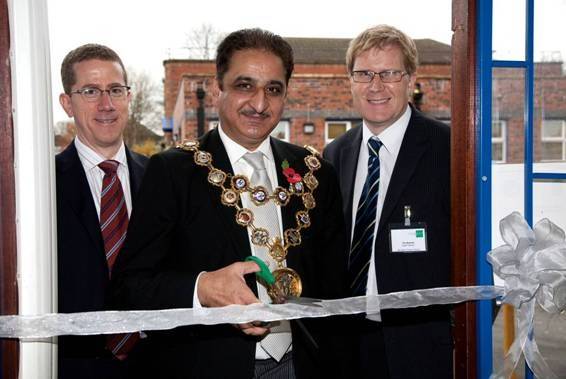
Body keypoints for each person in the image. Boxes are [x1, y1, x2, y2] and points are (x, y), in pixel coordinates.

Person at [110, 28, 350, 379]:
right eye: (244, 85)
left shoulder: (316, 172)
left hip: (302, 365)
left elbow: (334, 290)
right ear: (219, 87)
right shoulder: (174, 171)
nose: (259, 103)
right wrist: (201, 288)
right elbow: (129, 287)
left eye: (273, 89)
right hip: (207, 365)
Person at [324, 25, 452, 378]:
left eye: (390, 73)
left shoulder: (449, 150)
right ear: (350, 81)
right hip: (347, 344)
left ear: (411, 79)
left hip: (421, 349)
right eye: (364, 73)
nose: (375, 85)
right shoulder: (334, 155)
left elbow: (479, 253)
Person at [56, 43, 148, 379]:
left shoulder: (160, 180)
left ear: (129, 97)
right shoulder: (40, 186)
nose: (106, 104)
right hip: (73, 366)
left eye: (115, 90)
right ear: (67, 103)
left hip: (157, 363)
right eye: (91, 91)